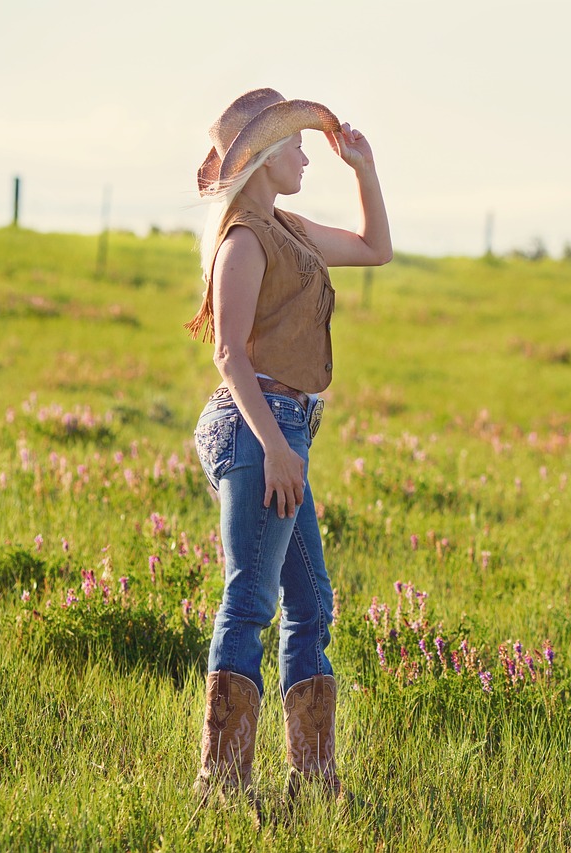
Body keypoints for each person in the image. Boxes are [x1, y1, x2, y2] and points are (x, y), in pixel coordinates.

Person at [184, 88, 391, 805]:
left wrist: (363, 168)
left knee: (311, 603)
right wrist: (275, 447)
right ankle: (223, 783)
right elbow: (228, 354)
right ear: (267, 158)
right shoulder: (242, 239)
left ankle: (313, 777)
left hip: (285, 426)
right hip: (256, 425)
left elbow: (375, 249)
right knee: (250, 599)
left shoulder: (288, 227)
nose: (308, 153)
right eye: (298, 145)